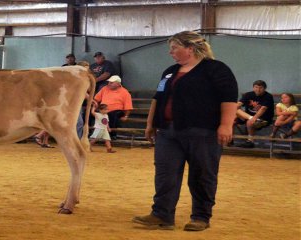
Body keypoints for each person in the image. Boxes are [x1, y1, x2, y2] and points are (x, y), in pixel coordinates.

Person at [133, 31, 238, 232]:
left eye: (174, 48)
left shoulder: (216, 69)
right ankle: (162, 215)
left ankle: (200, 216)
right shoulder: (170, 71)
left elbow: (229, 98)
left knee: (202, 174)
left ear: (190, 49)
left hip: (203, 131)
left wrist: (226, 125)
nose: (170, 52)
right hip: (167, 131)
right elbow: (158, 98)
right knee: (165, 174)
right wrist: (150, 123)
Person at [234, 80, 274, 148]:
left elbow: (263, 109)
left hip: (263, 118)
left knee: (250, 122)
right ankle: (229, 141)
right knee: (232, 119)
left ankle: (250, 142)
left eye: (260, 88)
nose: (258, 89)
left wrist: (254, 118)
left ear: (264, 88)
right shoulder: (248, 94)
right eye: (256, 87)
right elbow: (239, 104)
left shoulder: (268, 96)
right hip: (249, 117)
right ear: (253, 87)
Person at [93, 75, 133, 140]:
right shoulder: (104, 88)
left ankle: (112, 134)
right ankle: (88, 133)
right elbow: (96, 99)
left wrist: (126, 116)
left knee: (112, 114)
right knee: (88, 113)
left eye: (111, 82)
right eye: (109, 82)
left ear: (118, 84)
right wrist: (94, 107)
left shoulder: (125, 92)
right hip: (103, 109)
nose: (109, 84)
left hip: (117, 110)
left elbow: (128, 106)